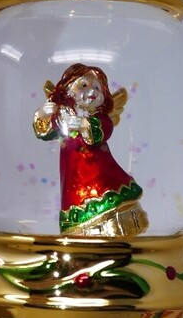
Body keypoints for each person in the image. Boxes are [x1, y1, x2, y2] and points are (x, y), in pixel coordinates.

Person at [33, 64, 148, 236]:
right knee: (76, 200)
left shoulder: (100, 118)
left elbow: (105, 130)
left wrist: (83, 124)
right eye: (84, 85)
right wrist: (43, 114)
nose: (92, 91)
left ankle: (115, 227)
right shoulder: (63, 114)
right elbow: (47, 132)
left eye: (97, 88)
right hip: (74, 176)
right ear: (68, 90)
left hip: (101, 174)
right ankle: (80, 233)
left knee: (109, 197)